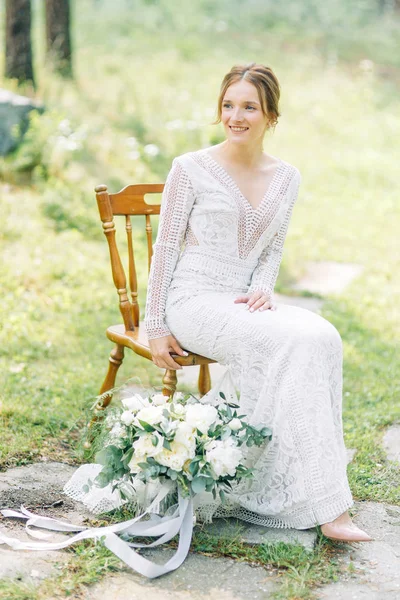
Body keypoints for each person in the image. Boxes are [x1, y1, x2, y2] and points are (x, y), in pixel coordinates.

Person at [145, 63, 372, 542]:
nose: (236, 116)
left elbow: (272, 246)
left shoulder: (286, 177)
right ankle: (333, 510)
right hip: (193, 299)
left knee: (321, 335)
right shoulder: (190, 168)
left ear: (271, 114)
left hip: (243, 302)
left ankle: (294, 482)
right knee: (288, 342)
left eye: (249, 106)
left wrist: (265, 285)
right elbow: (165, 247)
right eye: (229, 105)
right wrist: (155, 325)